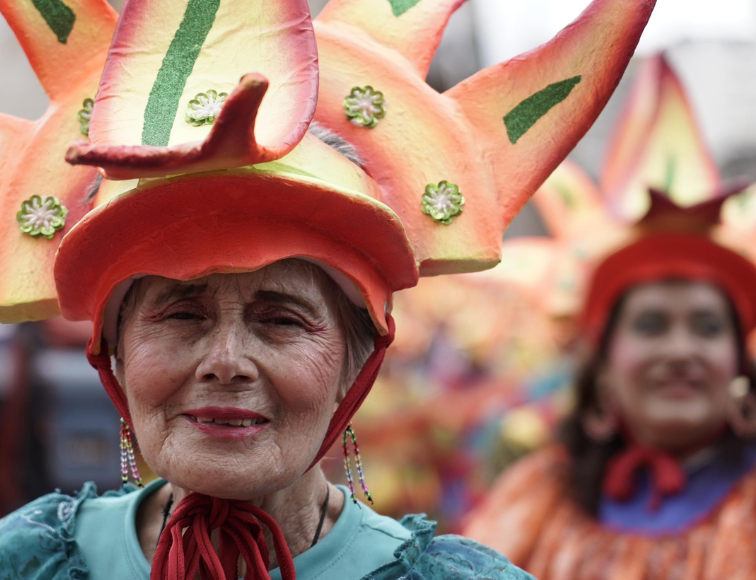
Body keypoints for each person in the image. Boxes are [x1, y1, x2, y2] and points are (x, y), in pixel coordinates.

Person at [0, 0, 655, 577]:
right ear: (112, 351)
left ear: (357, 359)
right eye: (179, 314)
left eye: (281, 319)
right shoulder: (28, 560)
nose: (226, 362)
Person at [463, 188, 756, 579]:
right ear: (605, 365)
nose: (681, 350)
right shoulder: (537, 497)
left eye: (708, 327)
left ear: (740, 363)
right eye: (650, 325)